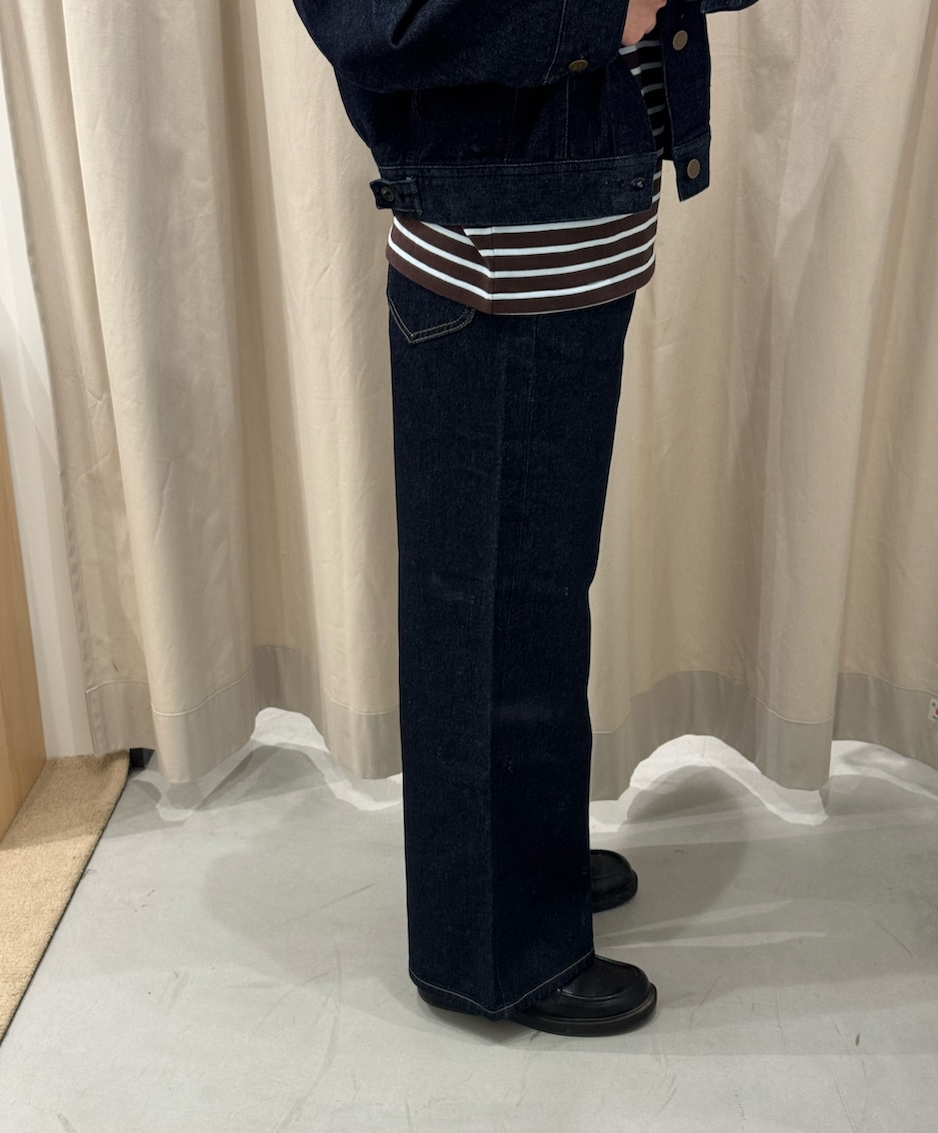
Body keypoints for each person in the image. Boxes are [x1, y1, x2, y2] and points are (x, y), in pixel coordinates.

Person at [291, 0, 762, 1036]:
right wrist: (604, 11)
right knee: (488, 610)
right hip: (496, 248)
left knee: (535, 600)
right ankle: (491, 948)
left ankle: (523, 860)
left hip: (569, 216)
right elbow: (377, 21)